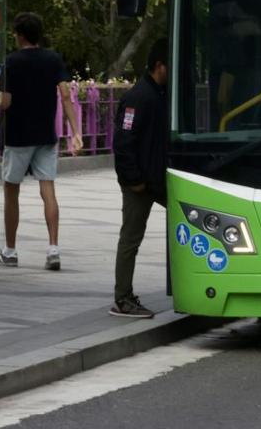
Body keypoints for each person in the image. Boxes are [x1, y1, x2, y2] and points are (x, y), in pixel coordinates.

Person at [0, 12, 81, 270]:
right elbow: (64, 95)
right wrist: (75, 131)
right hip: (45, 135)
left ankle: (10, 251)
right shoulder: (53, 60)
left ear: (19, 35)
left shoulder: (11, 62)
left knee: (11, 191)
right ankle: (53, 249)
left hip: (17, 136)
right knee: (47, 189)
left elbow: (5, 102)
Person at [109, 39, 168, 319]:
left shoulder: (159, 93)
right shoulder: (139, 97)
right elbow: (123, 141)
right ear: (159, 66)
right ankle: (122, 298)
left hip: (156, 179)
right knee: (130, 239)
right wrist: (134, 180)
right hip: (140, 183)